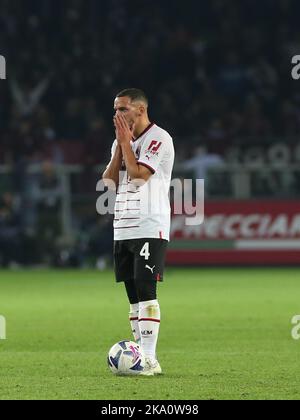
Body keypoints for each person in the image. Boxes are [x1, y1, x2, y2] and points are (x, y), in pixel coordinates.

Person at [103, 88, 175, 376]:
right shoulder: (119, 142)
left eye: (122, 109)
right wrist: (121, 146)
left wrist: (126, 145)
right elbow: (110, 181)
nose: (116, 115)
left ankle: (149, 357)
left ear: (140, 110)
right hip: (122, 225)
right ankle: (138, 357)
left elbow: (138, 176)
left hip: (149, 223)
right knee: (133, 297)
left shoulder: (159, 138)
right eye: (115, 110)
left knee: (147, 291)